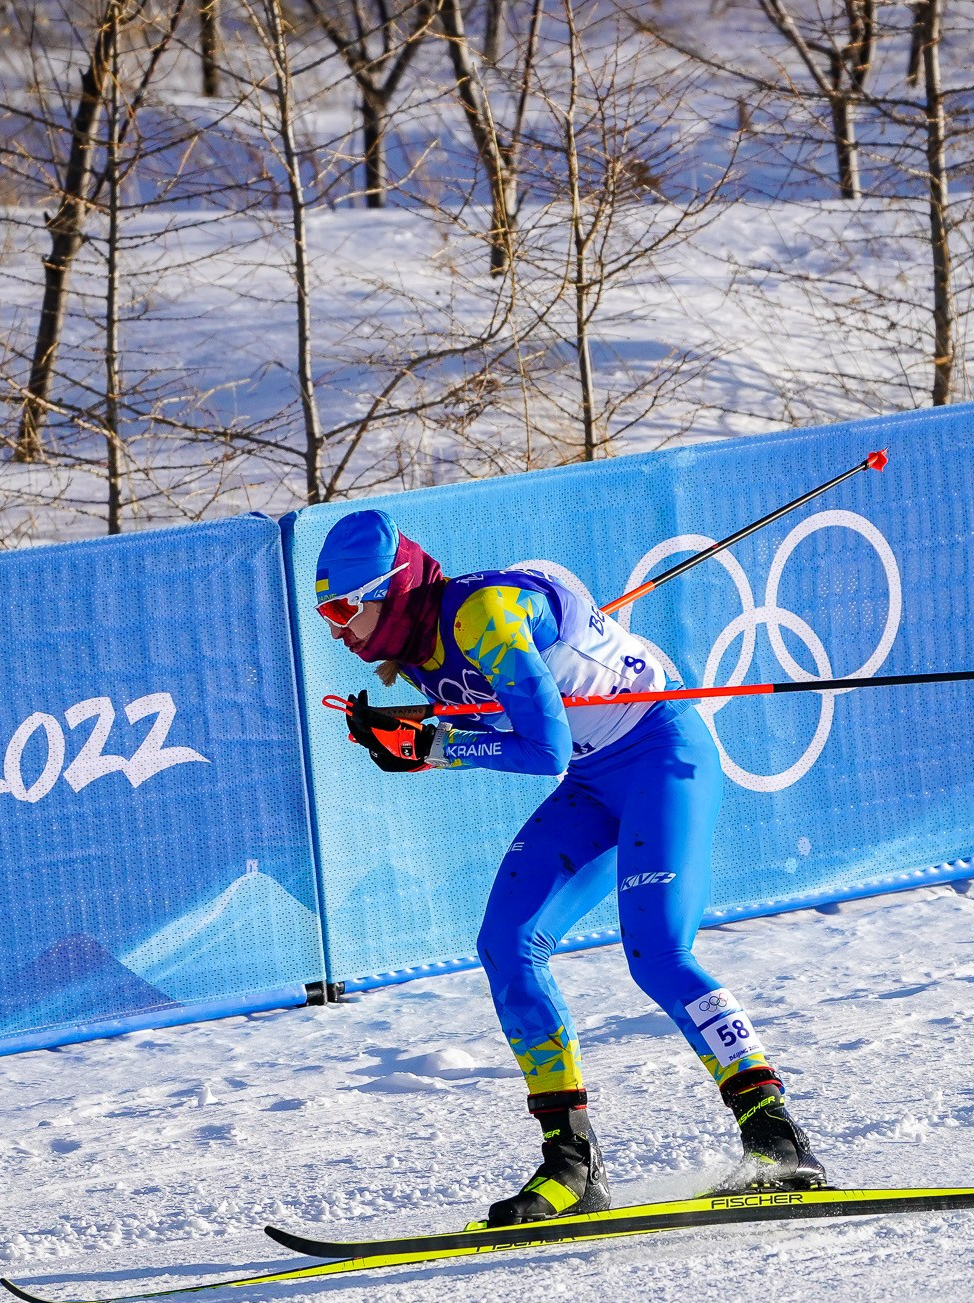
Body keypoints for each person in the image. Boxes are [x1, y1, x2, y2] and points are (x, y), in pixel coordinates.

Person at [313, 508, 825, 1226]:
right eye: (324, 613)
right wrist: (410, 737)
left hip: (659, 757)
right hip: (592, 784)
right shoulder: (422, 652)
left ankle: (776, 1137)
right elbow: (494, 727)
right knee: (506, 945)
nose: (335, 627)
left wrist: (431, 746)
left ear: (392, 590)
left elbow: (544, 747)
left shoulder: (481, 615)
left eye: (343, 607)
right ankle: (571, 1164)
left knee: (657, 954)